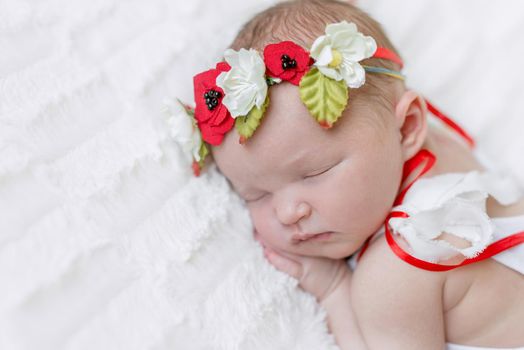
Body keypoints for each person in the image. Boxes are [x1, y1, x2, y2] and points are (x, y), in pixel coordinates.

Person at [170, 0, 524, 348]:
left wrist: (335, 289)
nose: (287, 212)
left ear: (407, 128)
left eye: (314, 173)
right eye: (255, 195)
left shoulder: (395, 273)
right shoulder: (437, 143)